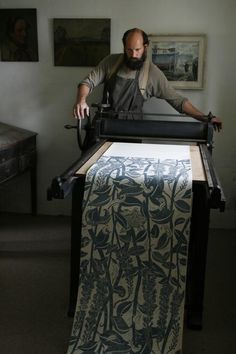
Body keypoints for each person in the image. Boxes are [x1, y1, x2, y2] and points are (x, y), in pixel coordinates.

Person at [73, 28, 222, 146]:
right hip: (103, 129)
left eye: (137, 50)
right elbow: (87, 83)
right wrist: (81, 100)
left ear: (145, 47)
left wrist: (204, 118)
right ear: (124, 47)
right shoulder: (110, 63)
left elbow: (178, 101)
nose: (133, 54)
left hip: (131, 134)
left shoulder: (152, 74)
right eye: (129, 50)